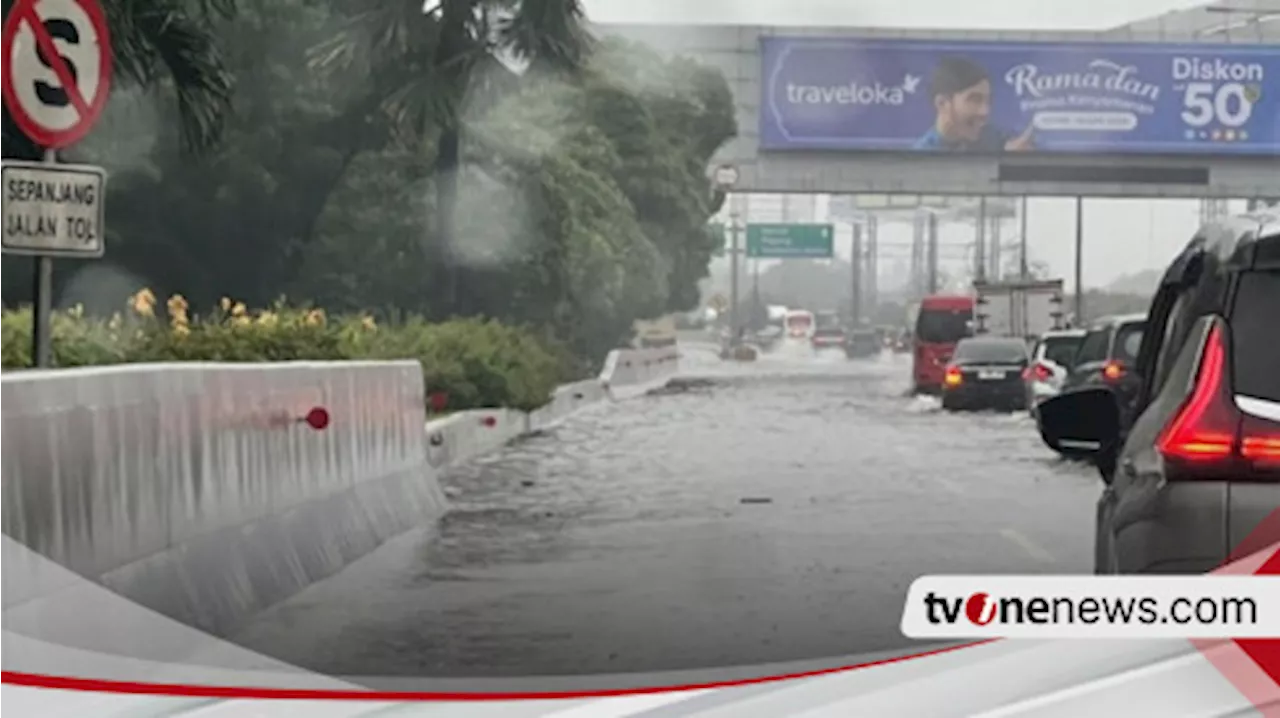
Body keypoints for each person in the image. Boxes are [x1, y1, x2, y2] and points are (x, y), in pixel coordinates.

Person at [914, 56, 1033, 153]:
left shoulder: (992, 137)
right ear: (942, 103)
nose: (985, 111)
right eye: (974, 100)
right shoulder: (921, 158)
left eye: (988, 101)